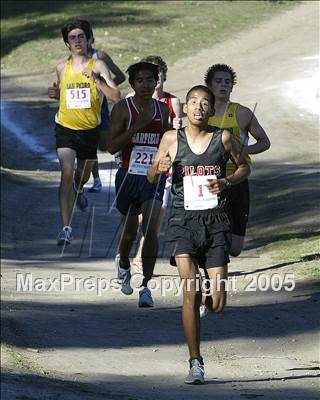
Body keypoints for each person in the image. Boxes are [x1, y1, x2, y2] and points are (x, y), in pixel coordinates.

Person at [147, 85, 250, 384]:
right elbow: (152, 174)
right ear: (186, 108)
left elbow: (244, 168)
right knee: (188, 293)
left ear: (210, 109)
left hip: (216, 222)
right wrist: (158, 166)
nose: (198, 107)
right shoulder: (171, 138)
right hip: (182, 223)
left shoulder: (223, 138)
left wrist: (228, 181)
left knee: (217, 304)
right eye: (193, 102)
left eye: (204, 103)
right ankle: (195, 362)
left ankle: (210, 293)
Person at [48, 20, 120, 246]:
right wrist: (55, 94)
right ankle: (66, 228)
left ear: (89, 39)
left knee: (82, 176)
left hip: (89, 131)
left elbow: (116, 96)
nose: (77, 41)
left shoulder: (97, 65)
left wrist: (97, 81)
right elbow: (63, 95)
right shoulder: (61, 67)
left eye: (81, 37)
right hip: (65, 128)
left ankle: (79, 189)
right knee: (66, 172)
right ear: (67, 44)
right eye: (72, 38)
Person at [106, 61, 170, 307]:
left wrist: (166, 159)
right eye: (140, 80)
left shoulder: (163, 110)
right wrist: (137, 127)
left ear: (157, 82)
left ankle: (146, 287)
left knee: (151, 230)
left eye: (150, 80)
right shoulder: (123, 109)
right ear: (133, 84)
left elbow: (167, 140)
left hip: (153, 177)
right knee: (130, 232)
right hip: (127, 177)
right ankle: (123, 264)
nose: (145, 84)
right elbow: (111, 147)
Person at [204, 64, 270, 257]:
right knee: (211, 232)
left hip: (237, 178)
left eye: (227, 82)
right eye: (218, 81)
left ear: (232, 86)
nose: (223, 85)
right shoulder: (201, 113)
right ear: (208, 85)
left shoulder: (242, 113)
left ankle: (220, 253)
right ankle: (212, 264)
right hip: (209, 180)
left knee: (235, 248)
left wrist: (245, 150)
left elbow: (265, 142)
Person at [129, 55, 182, 272]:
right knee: (138, 218)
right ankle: (126, 249)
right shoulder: (131, 98)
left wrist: (176, 124)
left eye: (158, 76)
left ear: (163, 77)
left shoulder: (173, 102)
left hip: (163, 166)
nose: (155, 81)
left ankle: (140, 257)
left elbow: (178, 135)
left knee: (157, 213)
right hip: (138, 165)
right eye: (150, 77)